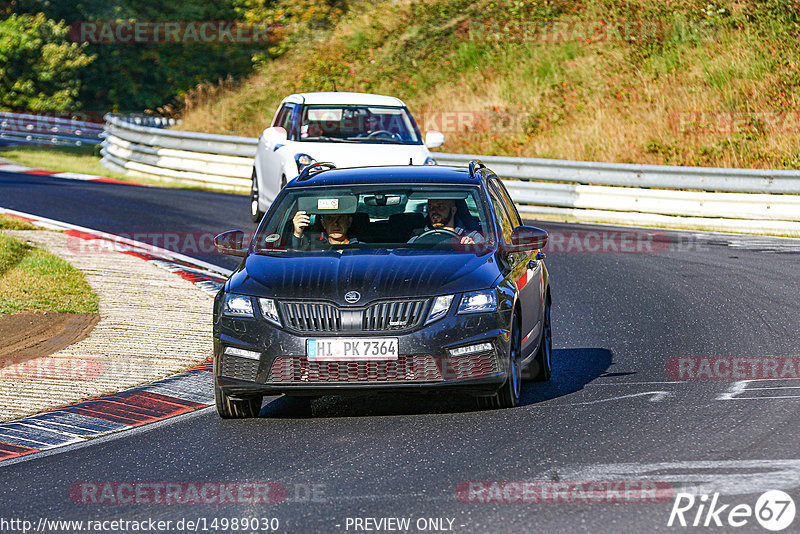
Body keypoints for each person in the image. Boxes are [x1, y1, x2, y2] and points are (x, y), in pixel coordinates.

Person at [410, 198, 483, 245]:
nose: (434, 211)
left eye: (440, 206)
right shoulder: (417, 238)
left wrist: (472, 248)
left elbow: (484, 256)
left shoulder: (471, 236)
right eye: (430, 207)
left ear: (453, 210)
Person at [292, 211, 358, 249]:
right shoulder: (313, 247)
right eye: (330, 219)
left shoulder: (363, 248)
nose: (335, 224)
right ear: (323, 224)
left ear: (349, 222)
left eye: (340, 219)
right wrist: (297, 234)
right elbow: (295, 257)